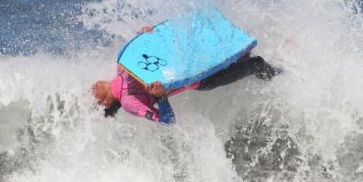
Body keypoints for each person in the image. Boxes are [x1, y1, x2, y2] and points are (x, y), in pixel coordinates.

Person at [91, 26, 281, 125]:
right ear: (105, 103)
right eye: (93, 99)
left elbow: (146, 51)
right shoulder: (129, 103)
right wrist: (161, 97)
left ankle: (282, 54)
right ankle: (284, 78)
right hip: (202, 78)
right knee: (255, 65)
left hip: (197, 62)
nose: (90, 91)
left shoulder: (123, 65)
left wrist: (146, 35)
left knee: (244, 53)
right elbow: (168, 121)